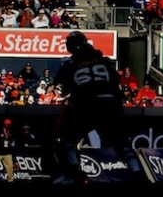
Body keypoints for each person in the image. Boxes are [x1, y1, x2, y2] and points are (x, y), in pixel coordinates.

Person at [52, 30, 139, 184]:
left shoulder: (69, 63)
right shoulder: (103, 59)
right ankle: (138, 174)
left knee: (66, 141)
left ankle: (76, 175)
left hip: (87, 104)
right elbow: (115, 79)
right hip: (111, 103)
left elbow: (61, 85)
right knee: (122, 144)